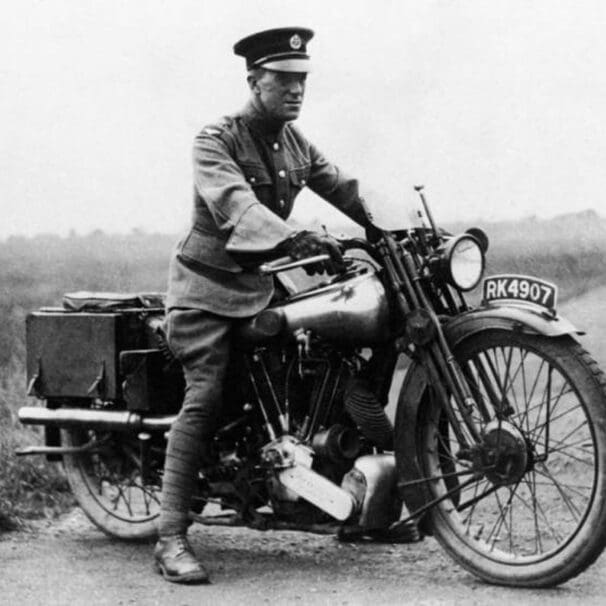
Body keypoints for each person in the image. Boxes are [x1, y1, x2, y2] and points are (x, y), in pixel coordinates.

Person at [154, 27, 372, 584]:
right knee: (204, 395)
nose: (295, 90)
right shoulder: (216, 139)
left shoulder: (293, 141)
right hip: (205, 292)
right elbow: (235, 205)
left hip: (258, 287)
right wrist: (293, 236)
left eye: (302, 80)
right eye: (283, 80)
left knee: (325, 349)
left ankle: (331, 487)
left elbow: (340, 185)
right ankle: (171, 537)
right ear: (254, 80)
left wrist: (382, 229)